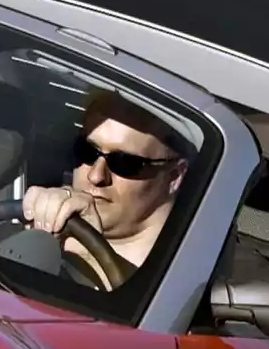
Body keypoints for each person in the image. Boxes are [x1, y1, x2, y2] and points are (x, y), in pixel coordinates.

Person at [21, 92, 189, 280]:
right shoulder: (44, 227)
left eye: (124, 162)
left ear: (174, 176)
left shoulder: (194, 272)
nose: (96, 176)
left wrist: (91, 258)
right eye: (87, 152)